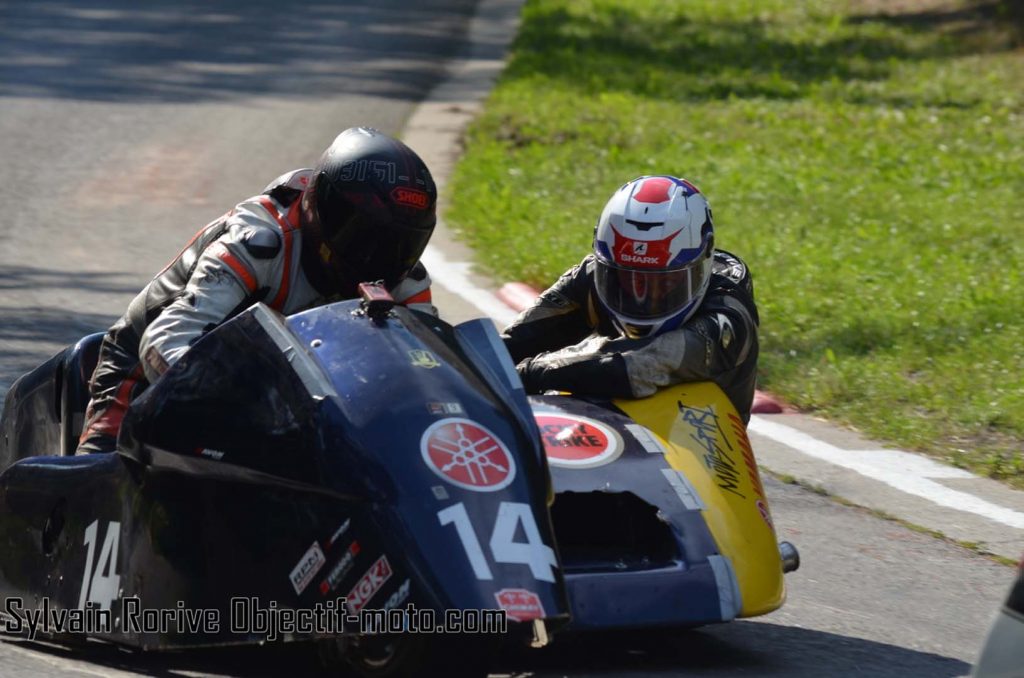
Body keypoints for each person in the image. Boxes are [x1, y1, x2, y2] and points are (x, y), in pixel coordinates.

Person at [78, 127, 438, 454]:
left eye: (400, 244)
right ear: (321, 207)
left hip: (299, 402)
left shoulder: (404, 278)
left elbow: (430, 370)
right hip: (147, 370)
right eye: (364, 237)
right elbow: (166, 339)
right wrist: (233, 402)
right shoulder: (259, 243)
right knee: (102, 471)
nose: (379, 258)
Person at [502, 175, 760, 422]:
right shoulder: (592, 277)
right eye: (626, 278)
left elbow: (647, 364)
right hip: (602, 433)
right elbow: (508, 347)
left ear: (701, 262)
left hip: (700, 451)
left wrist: (537, 371)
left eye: (664, 281)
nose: (642, 296)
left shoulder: (729, 312)